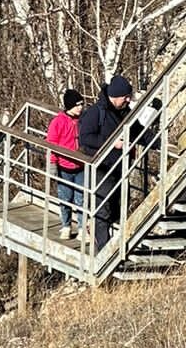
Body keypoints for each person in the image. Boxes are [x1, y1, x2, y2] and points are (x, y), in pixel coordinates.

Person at [78, 75, 134, 251]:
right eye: (125, 96)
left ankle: (114, 248)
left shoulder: (124, 111)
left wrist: (159, 143)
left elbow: (139, 130)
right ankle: (103, 252)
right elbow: (85, 138)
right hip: (101, 168)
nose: (128, 100)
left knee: (118, 209)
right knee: (102, 210)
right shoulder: (96, 112)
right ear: (116, 95)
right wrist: (112, 143)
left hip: (119, 169)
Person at [46, 89, 85, 239]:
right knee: (65, 197)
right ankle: (66, 226)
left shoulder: (82, 120)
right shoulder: (58, 122)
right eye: (77, 105)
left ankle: (82, 228)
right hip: (64, 166)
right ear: (69, 106)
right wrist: (52, 164)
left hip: (81, 165)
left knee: (81, 198)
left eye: (82, 104)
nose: (80, 108)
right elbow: (51, 144)